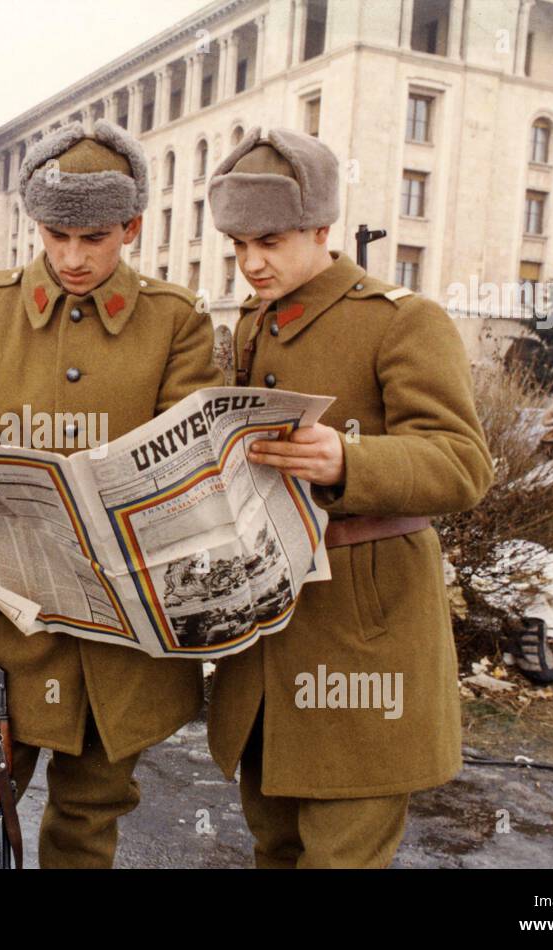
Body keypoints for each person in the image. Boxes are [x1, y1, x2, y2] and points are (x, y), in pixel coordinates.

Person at [0, 120, 225, 868]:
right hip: (5, 623)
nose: (71, 257)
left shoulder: (178, 320)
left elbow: (194, 462)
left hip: (126, 632)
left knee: (87, 820)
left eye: (94, 237)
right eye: (55, 234)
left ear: (131, 227)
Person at [204, 127, 494, 868]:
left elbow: (463, 463)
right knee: (276, 843)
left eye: (268, 240)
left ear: (322, 229)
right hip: (271, 627)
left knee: (342, 855)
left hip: (365, 633)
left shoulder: (401, 319)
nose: (251, 262)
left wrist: (348, 460)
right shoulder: (252, 320)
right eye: (237, 245)